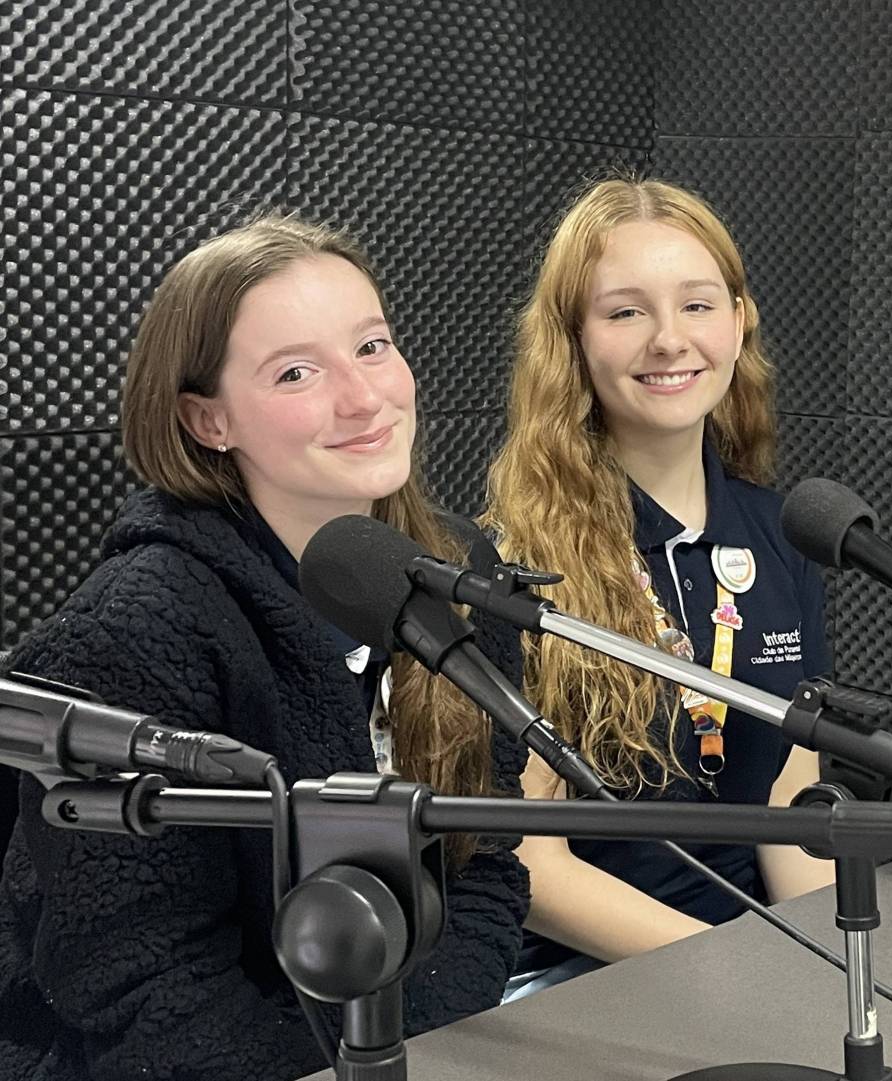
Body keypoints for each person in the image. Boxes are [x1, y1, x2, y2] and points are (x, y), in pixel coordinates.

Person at [0, 214, 529, 1081]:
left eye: (372, 346)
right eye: (295, 372)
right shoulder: (136, 629)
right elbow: (140, 980)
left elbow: (482, 865)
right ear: (208, 419)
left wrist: (410, 1048)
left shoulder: (460, 574)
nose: (363, 398)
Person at [482, 178, 834, 994]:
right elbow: (531, 863)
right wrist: (735, 969)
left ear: (740, 321)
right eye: (626, 311)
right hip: (585, 972)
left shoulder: (785, 534)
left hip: (756, 948)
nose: (669, 340)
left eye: (699, 305)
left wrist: (828, 966)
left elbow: (786, 793)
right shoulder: (514, 561)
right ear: (572, 340)